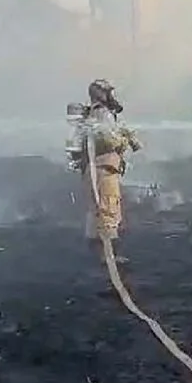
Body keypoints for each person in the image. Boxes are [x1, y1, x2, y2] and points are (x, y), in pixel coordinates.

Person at [81, 79, 142, 263]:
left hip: (101, 169)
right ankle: (108, 257)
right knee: (107, 209)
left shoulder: (98, 114)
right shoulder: (101, 114)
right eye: (110, 93)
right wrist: (123, 141)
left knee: (102, 209)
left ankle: (102, 254)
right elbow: (107, 139)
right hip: (103, 169)